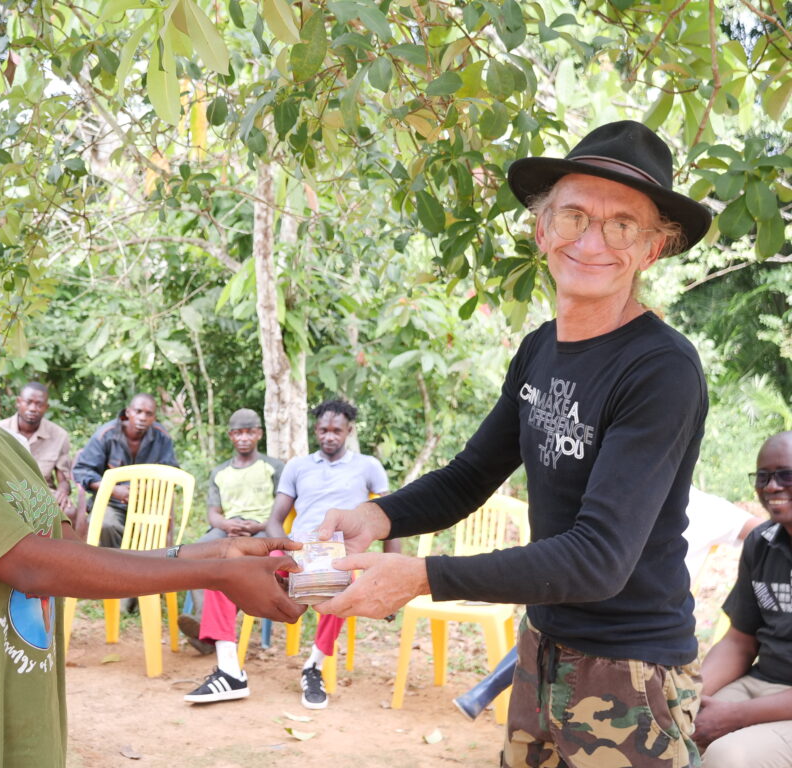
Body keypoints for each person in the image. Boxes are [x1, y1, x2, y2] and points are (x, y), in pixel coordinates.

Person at [0, 234, 305, 766]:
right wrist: (213, 575)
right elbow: (29, 567)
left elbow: (74, 556)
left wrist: (221, 554)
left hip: (9, 733)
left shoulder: (3, 445)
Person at [316, 121, 714, 766]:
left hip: (630, 672)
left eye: (622, 225)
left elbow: (598, 558)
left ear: (653, 250)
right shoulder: (539, 349)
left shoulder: (661, 369)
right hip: (542, 645)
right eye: (574, 216)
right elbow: (473, 474)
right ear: (541, 229)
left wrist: (420, 576)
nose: (591, 241)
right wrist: (377, 513)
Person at [452, 484, 761, 720]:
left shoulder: (709, 508)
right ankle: (497, 691)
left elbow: (762, 533)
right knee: (556, 612)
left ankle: (491, 689)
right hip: (590, 598)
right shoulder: (615, 494)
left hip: (648, 615)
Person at [188, 399, 396, 710]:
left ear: (349, 431)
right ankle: (230, 670)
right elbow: (274, 519)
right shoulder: (298, 466)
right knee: (225, 570)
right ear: (316, 430)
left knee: (344, 579)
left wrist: (387, 575)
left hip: (340, 554)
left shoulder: (368, 467)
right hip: (295, 551)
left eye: (336, 430)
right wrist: (290, 550)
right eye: (323, 430)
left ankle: (313, 667)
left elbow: (391, 520)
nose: (329, 436)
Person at [693, 431, 792, 767]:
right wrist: (693, 696)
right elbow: (739, 641)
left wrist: (736, 715)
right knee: (675, 725)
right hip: (761, 682)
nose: (772, 486)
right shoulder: (762, 543)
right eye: (763, 476)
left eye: (785, 475)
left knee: (727, 756)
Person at [177, 408, 284, 678]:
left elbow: (283, 507)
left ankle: (210, 633)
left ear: (259, 434)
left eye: (250, 432)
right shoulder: (220, 471)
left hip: (262, 530)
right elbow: (213, 512)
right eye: (238, 432)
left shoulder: (273, 467)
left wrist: (258, 526)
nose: (244, 437)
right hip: (227, 528)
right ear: (230, 436)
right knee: (195, 555)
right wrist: (226, 525)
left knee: (238, 564)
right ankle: (204, 624)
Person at [72, 393, 178, 548]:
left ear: (154, 417)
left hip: (147, 503)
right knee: (106, 524)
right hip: (111, 502)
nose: (142, 417)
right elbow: (82, 471)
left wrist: (143, 490)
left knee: (151, 533)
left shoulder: (161, 438)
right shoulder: (106, 435)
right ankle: (112, 568)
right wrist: (113, 490)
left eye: (148, 414)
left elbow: (172, 474)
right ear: (128, 412)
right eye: (138, 411)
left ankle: (144, 570)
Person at [0, 382, 74, 513]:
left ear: (47, 407)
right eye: (28, 402)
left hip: (43, 494)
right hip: (7, 491)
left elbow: (63, 479)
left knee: (69, 511)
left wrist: (62, 491)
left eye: (39, 404)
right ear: (18, 402)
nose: (33, 408)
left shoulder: (59, 435)